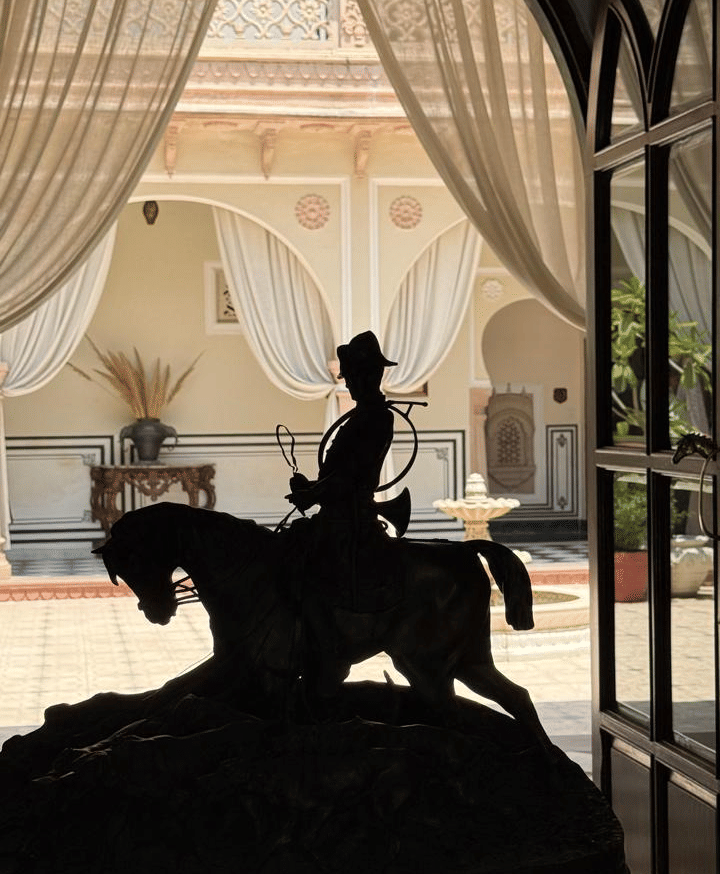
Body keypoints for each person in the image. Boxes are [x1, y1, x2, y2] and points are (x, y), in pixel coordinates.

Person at [285, 331, 398, 694]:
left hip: (349, 518)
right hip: (336, 512)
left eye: (350, 376)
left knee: (302, 573)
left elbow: (351, 476)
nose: (346, 383)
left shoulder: (374, 418)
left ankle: (326, 651)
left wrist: (313, 494)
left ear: (366, 376)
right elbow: (339, 474)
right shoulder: (363, 416)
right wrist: (312, 489)